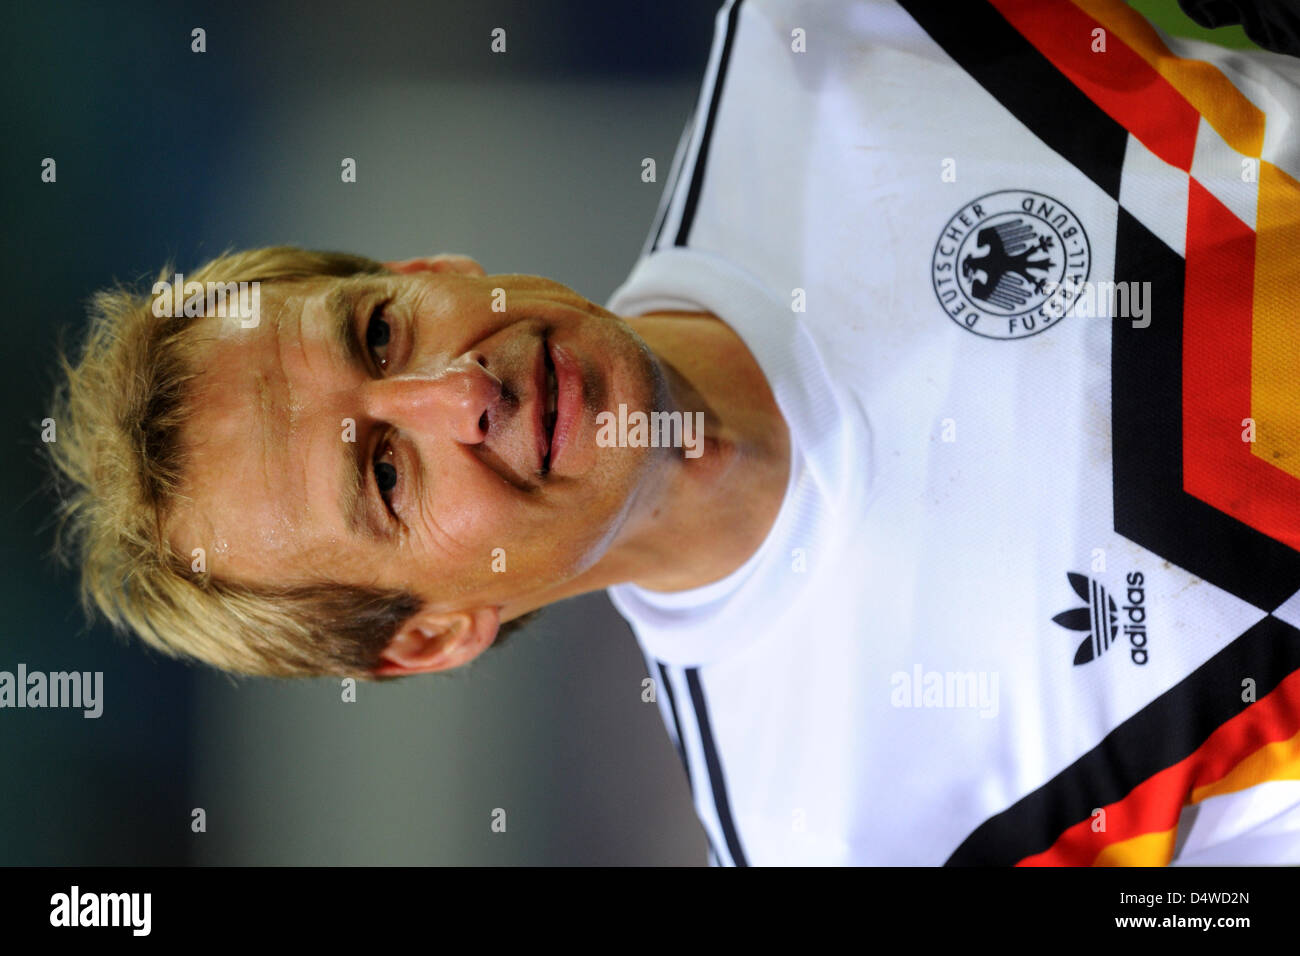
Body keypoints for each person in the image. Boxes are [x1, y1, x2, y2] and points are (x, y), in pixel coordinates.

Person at [48, 0, 1300, 864]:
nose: (457, 391)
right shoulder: (842, 833)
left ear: (427, 263)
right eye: (383, 470)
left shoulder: (826, 38)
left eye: (380, 332)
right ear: (431, 631)